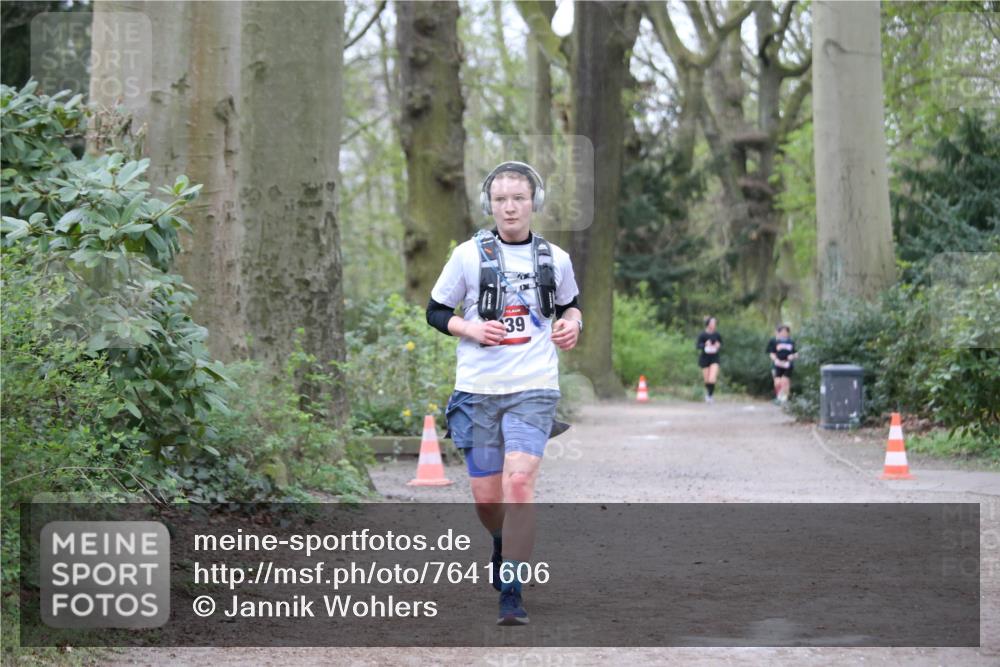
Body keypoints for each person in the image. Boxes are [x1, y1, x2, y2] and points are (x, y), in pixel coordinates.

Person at [425, 161, 582, 626]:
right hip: (478, 390)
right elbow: (435, 311)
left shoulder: (556, 258)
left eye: (519, 198)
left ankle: (511, 592)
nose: (510, 207)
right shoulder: (467, 256)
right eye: (500, 199)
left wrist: (572, 325)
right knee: (487, 499)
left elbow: (571, 306)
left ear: (534, 202)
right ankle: (499, 541)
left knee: (518, 484)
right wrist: (470, 328)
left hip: (533, 386)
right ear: (488, 204)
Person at [767, 324, 798, 403]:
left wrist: (793, 356)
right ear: (778, 332)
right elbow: (771, 353)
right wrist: (776, 360)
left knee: (785, 381)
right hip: (777, 364)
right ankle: (779, 397)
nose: (784, 333)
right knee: (777, 382)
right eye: (782, 331)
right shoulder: (774, 341)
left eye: (786, 331)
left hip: (787, 364)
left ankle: (784, 399)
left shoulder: (791, 342)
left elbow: (796, 353)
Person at [695, 316, 722, 403]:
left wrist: (718, 345)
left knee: (712, 378)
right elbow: (698, 346)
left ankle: (710, 396)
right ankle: (708, 394)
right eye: (712, 322)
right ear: (708, 324)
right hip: (705, 358)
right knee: (706, 380)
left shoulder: (717, 334)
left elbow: (721, 344)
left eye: (715, 323)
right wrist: (705, 344)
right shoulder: (702, 335)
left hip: (714, 358)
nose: (714, 324)